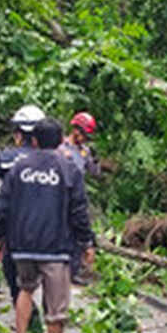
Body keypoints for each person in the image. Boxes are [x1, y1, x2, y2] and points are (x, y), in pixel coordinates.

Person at [0, 116, 94, 333]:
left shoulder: (19, 167)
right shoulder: (68, 168)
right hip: (56, 246)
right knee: (56, 307)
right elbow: (78, 210)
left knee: (25, 289)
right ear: (61, 140)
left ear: (35, 140)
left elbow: (3, 204)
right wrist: (86, 242)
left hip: (23, 243)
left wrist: (0, 236)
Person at [0, 105, 45, 305]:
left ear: (17, 134)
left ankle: (27, 322)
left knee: (18, 281)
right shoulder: (54, 160)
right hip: (47, 229)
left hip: (14, 228)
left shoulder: (7, 158)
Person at [58, 111, 101, 282]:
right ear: (75, 130)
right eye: (82, 134)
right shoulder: (61, 147)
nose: (84, 138)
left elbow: (94, 172)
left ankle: (74, 271)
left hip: (77, 194)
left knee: (77, 232)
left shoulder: (84, 151)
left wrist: (95, 159)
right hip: (61, 193)